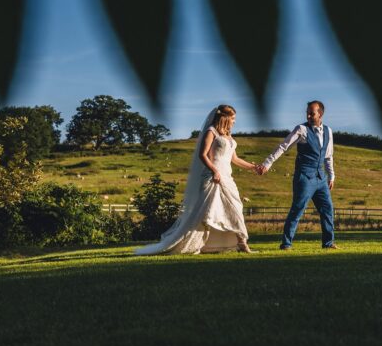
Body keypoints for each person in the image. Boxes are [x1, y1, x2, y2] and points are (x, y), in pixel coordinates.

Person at [135, 105, 258, 255]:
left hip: (227, 177)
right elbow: (203, 155)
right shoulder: (211, 132)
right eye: (233, 119)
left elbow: (235, 159)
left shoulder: (228, 136)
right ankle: (199, 243)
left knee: (235, 208)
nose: (234, 122)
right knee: (207, 212)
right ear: (225, 118)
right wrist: (214, 170)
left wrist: (252, 167)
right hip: (213, 177)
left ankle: (241, 242)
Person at [257, 100, 337, 250]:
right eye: (307, 112)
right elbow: (283, 146)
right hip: (305, 177)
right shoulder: (301, 129)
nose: (308, 115)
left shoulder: (328, 131)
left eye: (311, 113)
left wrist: (331, 176)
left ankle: (328, 243)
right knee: (298, 209)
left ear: (320, 114)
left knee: (327, 210)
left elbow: (328, 156)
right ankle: (286, 244)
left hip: (321, 178)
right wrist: (268, 163)